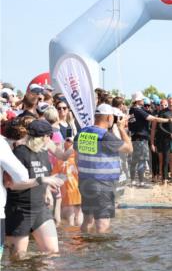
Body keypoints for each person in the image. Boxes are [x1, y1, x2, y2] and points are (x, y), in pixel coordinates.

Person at [3, 120, 64, 258]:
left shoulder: (43, 152)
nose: (51, 139)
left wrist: (47, 189)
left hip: (40, 208)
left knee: (52, 253)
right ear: (44, 137)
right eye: (50, 136)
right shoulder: (20, 153)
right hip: (19, 211)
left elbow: (43, 174)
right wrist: (41, 181)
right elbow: (10, 184)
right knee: (18, 259)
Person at [74, 103, 132, 233]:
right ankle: (102, 251)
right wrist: (122, 128)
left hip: (85, 182)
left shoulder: (82, 133)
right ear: (108, 118)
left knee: (88, 220)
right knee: (103, 223)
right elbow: (129, 149)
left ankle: (85, 247)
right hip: (102, 184)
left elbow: (77, 156)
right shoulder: (106, 136)